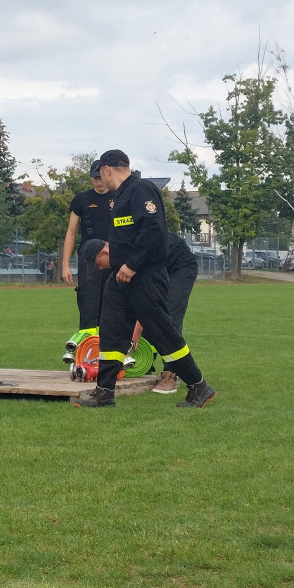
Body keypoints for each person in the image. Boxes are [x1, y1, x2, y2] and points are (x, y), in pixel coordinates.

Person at [73, 150, 215, 409]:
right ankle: (104, 392)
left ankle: (198, 385)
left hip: (145, 275)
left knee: (162, 331)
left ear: (107, 169)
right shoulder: (120, 197)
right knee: (112, 329)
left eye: (99, 174)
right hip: (122, 277)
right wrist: (121, 268)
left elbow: (153, 231)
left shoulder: (141, 189)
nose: (99, 181)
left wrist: (131, 265)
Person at [86, 232, 201, 395]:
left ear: (105, 253)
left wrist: (136, 332)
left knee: (168, 317)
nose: (99, 268)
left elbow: (149, 302)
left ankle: (171, 374)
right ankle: (147, 364)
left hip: (178, 266)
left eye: (98, 264)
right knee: (146, 317)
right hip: (156, 268)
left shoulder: (129, 255)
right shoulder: (120, 257)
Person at [60, 160, 114, 329]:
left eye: (100, 178)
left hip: (113, 255)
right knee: (88, 304)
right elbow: (71, 232)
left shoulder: (119, 196)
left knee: (112, 302)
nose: (98, 182)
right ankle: (87, 347)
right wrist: (65, 265)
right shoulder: (81, 199)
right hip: (88, 258)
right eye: (94, 178)